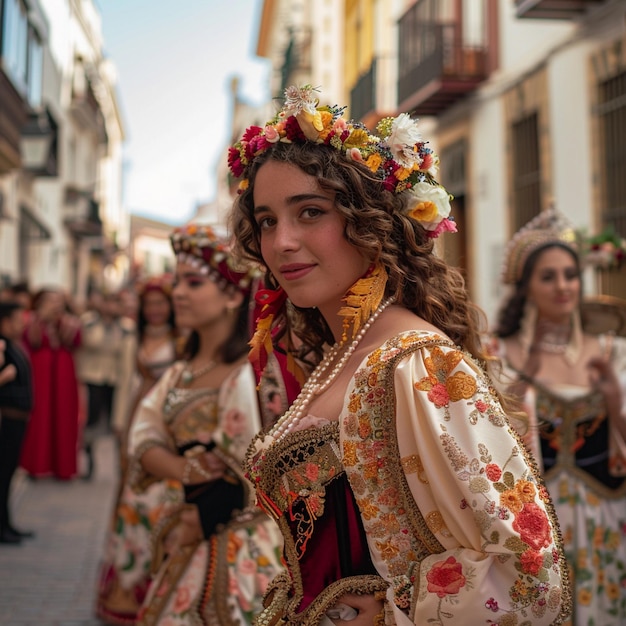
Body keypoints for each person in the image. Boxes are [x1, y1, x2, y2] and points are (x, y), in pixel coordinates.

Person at [228, 84, 571, 625]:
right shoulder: (344, 353)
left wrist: (391, 612)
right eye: (268, 220)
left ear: (370, 222)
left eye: (310, 212)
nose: (283, 242)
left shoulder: (416, 364)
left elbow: (528, 575)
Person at [127, 224, 286, 626]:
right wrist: (185, 469)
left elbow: (249, 469)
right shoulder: (178, 374)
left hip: (241, 540)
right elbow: (143, 436)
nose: (178, 293)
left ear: (233, 295)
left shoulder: (250, 374)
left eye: (194, 283)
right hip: (186, 525)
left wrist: (202, 508)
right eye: (178, 282)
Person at [491, 209, 626, 626]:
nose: (563, 286)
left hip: (604, 510)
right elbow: (491, 445)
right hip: (538, 522)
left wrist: (612, 397)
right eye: (548, 276)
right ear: (526, 286)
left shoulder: (610, 350)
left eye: (570, 275)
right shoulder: (497, 355)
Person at [97, 275, 183, 625]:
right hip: (136, 419)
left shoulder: (183, 341)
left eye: (161, 303)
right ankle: (127, 590)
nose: (156, 310)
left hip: (170, 427)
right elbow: (124, 384)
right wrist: (121, 430)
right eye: (150, 305)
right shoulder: (133, 339)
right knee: (131, 500)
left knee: (162, 502)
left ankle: (161, 586)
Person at [20, 287, 82, 480]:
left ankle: (63, 467)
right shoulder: (30, 321)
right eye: (51, 301)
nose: (56, 305)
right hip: (40, 374)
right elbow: (27, 343)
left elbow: (78, 342)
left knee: (64, 417)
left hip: (63, 375)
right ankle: (37, 466)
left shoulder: (70, 323)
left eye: (59, 301)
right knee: (40, 417)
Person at [76, 290, 137, 479]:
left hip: (114, 378)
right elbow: (89, 342)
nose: (111, 307)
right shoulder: (89, 322)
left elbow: (127, 353)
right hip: (92, 376)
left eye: (115, 303)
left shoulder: (127, 326)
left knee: (117, 420)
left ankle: (120, 463)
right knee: (91, 420)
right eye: (108, 302)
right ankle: (89, 460)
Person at [0, 301, 33, 544]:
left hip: (17, 421)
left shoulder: (12, 346)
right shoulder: (2, 348)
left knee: (8, 474)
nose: (21, 324)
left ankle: (6, 523)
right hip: (6, 420)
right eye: (17, 319)